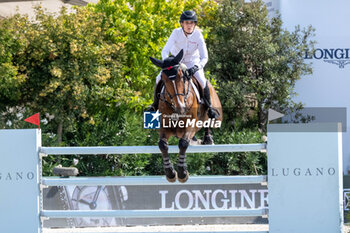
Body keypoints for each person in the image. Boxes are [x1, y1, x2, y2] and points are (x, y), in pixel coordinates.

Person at [147, 10, 219, 119]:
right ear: (182, 24)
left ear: (194, 24)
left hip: (192, 63)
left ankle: (209, 108)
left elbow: (205, 57)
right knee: (158, 78)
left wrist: (196, 67)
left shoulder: (198, 35)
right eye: (187, 23)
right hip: (176, 63)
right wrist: (168, 64)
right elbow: (164, 51)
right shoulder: (175, 33)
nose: (189, 25)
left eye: (192, 23)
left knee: (202, 81)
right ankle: (154, 105)